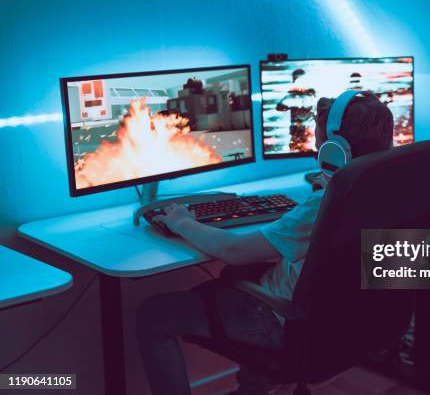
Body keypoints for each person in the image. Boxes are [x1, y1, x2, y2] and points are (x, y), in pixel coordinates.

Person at [136, 93, 394, 395]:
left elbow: (233, 252)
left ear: (336, 153)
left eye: (320, 143)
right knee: (235, 278)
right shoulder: (393, 188)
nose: (315, 149)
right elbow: (414, 263)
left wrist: (182, 222)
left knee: (153, 315)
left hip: (285, 319)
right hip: (351, 324)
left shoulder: (326, 204)